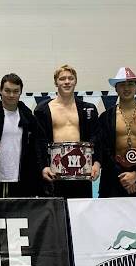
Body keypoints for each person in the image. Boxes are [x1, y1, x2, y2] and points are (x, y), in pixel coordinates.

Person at [94, 67, 136, 198]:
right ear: (116, 88)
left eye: (130, 84)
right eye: (122, 85)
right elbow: (103, 151)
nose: (126, 88)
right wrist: (123, 178)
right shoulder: (105, 117)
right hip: (112, 179)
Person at [34, 64, 101, 198]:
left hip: (81, 172)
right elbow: (38, 142)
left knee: (80, 215)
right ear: (56, 82)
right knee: (56, 215)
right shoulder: (42, 109)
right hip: (54, 172)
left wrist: (97, 163)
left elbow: (96, 137)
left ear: (75, 81)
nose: (67, 82)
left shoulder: (88, 109)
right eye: (62, 78)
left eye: (70, 78)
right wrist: (43, 166)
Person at [0, 73, 43, 197]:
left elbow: (38, 143)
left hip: (21, 177)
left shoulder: (28, 116)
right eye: (7, 91)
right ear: (0, 91)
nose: (11, 95)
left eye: (15, 91)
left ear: (20, 92)